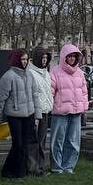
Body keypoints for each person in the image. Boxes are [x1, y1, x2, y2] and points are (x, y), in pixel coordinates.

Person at [0, 48, 37, 180]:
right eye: (22, 59)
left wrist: (37, 115)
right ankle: (9, 171)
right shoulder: (9, 76)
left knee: (24, 144)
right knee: (17, 144)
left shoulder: (30, 75)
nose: (25, 62)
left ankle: (21, 172)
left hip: (29, 114)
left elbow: (35, 95)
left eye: (26, 59)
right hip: (15, 115)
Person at [49, 42, 89, 174]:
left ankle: (68, 166)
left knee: (73, 141)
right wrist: (51, 106)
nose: (72, 58)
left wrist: (84, 107)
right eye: (69, 56)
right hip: (60, 112)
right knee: (57, 140)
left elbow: (84, 92)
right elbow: (50, 92)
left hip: (76, 112)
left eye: (74, 56)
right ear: (64, 57)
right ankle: (56, 167)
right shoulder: (55, 72)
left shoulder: (80, 73)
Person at [27, 47, 54, 176]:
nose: (44, 60)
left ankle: (40, 167)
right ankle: (33, 167)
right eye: (42, 58)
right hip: (36, 112)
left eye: (46, 58)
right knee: (34, 142)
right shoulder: (30, 73)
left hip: (45, 110)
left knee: (42, 141)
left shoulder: (46, 73)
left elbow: (47, 91)